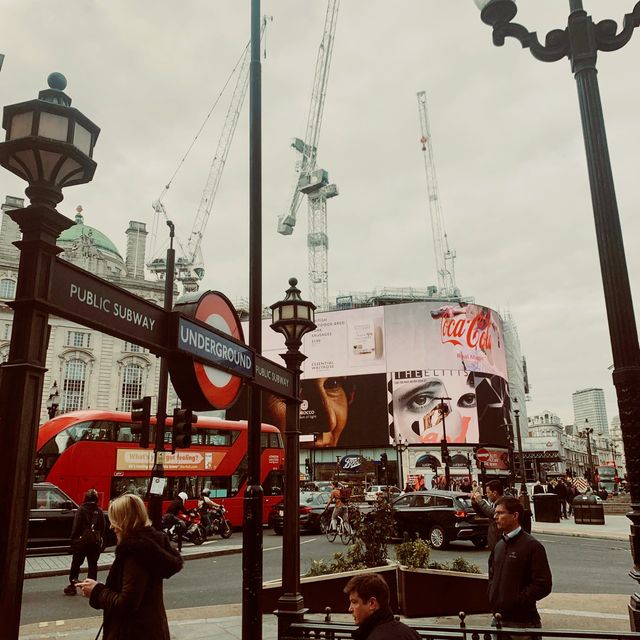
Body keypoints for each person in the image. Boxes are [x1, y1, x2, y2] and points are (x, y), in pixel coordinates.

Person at [78, 493, 183, 640]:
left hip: (133, 633)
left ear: (124, 521)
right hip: (151, 630)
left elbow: (126, 604)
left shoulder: (136, 552)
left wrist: (96, 590)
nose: (111, 526)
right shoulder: (150, 546)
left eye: (114, 519)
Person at [489, 496, 552, 640]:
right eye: (495, 513)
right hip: (498, 619)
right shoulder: (499, 545)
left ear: (515, 516)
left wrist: (516, 600)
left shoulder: (532, 546)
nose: (495, 517)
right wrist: (493, 595)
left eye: (500, 513)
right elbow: (492, 575)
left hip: (523, 623)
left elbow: (543, 584)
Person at [343, 572, 420, 639]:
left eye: (354, 602)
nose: (350, 609)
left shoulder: (374, 637)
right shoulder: (412, 634)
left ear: (372, 603)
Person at [64, 488, 105, 596]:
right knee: (92, 565)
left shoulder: (81, 510)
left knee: (76, 563)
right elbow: (102, 527)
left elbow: (76, 527)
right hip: (94, 543)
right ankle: (91, 588)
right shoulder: (99, 511)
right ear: (96, 499)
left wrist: (73, 540)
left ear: (86, 498)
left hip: (81, 542)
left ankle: (73, 585)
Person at [471, 479, 504, 551]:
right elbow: (484, 514)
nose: (487, 495)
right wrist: (475, 504)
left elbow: (492, 513)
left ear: (495, 493)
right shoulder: (495, 503)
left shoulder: (503, 502)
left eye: (488, 492)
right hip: (495, 544)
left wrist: (480, 501)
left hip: (500, 543)